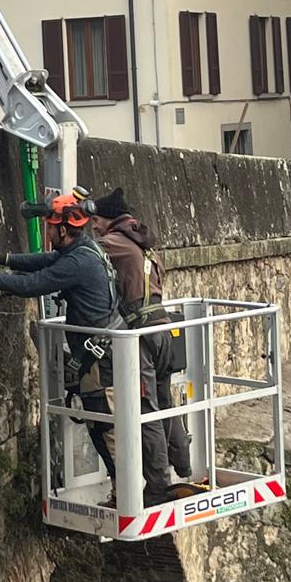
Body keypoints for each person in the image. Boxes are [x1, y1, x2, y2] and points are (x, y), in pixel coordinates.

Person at [0, 193, 122, 497]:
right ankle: (121, 487)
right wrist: (1, 259)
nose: (46, 232)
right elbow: (44, 261)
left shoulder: (80, 261)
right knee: (100, 423)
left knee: (104, 426)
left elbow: (33, 284)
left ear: (63, 229)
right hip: (98, 355)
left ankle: (124, 490)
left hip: (100, 361)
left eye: (49, 226)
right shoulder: (83, 249)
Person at [89, 187, 194, 503]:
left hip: (141, 337)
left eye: (95, 220)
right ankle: (184, 463)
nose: (92, 226)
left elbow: (83, 254)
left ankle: (159, 487)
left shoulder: (113, 243)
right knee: (164, 402)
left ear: (107, 220)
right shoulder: (144, 245)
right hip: (163, 333)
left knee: (145, 411)